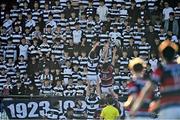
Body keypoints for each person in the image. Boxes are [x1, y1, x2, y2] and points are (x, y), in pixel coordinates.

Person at [131, 40, 180, 119]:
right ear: (175, 54)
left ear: (161, 55)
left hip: (168, 108)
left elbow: (148, 89)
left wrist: (136, 106)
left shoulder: (161, 69)